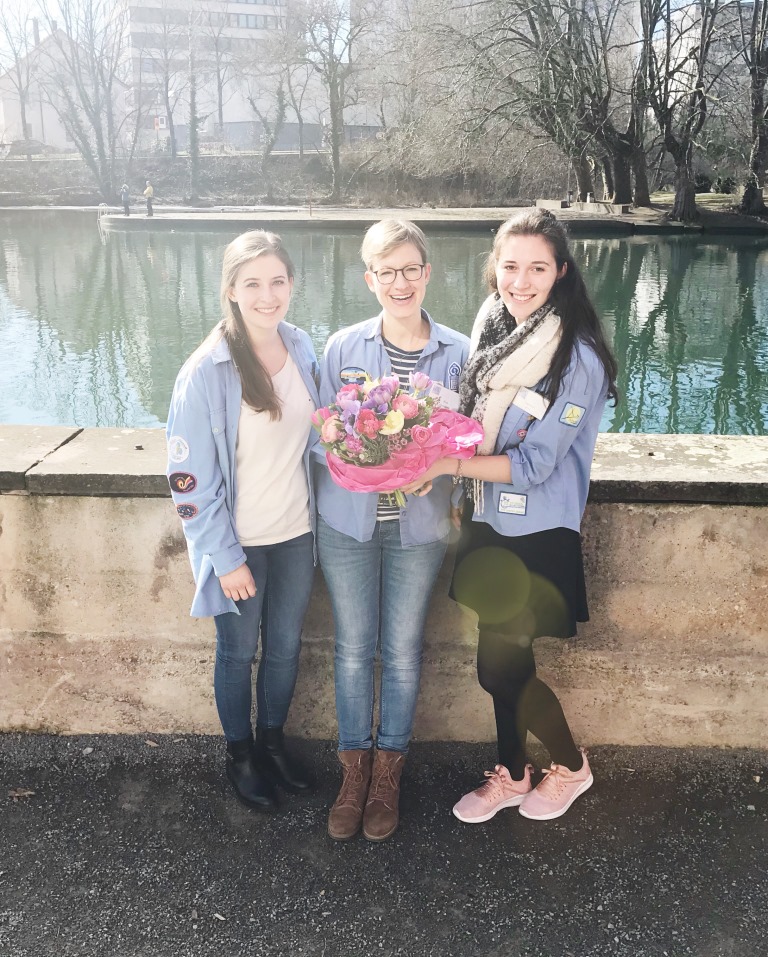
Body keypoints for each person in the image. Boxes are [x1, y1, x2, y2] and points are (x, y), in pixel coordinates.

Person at [401, 208, 618, 823]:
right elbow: (469, 427)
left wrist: (444, 466)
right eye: (510, 265)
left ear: (562, 273)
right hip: (488, 522)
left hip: (537, 531)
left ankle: (572, 767)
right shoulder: (493, 329)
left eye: (537, 268)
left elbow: (534, 465)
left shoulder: (577, 359)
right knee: (501, 662)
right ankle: (516, 774)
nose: (520, 281)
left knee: (502, 667)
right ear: (494, 268)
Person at [316, 219, 470, 842]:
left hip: (420, 527)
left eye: (411, 269)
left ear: (428, 273)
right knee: (354, 649)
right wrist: (354, 453)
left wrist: (442, 471)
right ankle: (353, 771)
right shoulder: (342, 348)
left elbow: (469, 435)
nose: (400, 282)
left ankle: (389, 775)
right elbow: (322, 433)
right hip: (347, 525)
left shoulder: (459, 352)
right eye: (387, 272)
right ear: (369, 279)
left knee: (402, 651)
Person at [166, 230, 320, 812]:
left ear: (290, 285)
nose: (267, 295)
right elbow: (187, 482)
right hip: (238, 545)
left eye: (277, 281)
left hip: (296, 535)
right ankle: (240, 755)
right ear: (231, 290)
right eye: (252, 283)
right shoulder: (206, 370)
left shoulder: (302, 346)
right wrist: (223, 557)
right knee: (237, 653)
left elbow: (320, 437)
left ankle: (273, 742)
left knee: (284, 648)